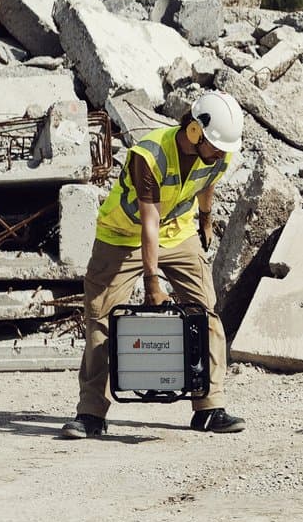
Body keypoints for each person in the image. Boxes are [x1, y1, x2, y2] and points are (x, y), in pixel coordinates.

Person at [59, 91, 249, 439]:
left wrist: (205, 219)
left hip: (178, 233)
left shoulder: (218, 154)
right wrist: (152, 282)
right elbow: (149, 221)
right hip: (122, 236)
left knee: (204, 314)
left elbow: (208, 182)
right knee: (101, 319)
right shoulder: (149, 155)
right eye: (216, 146)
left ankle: (209, 407)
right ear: (194, 132)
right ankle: (90, 413)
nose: (222, 154)